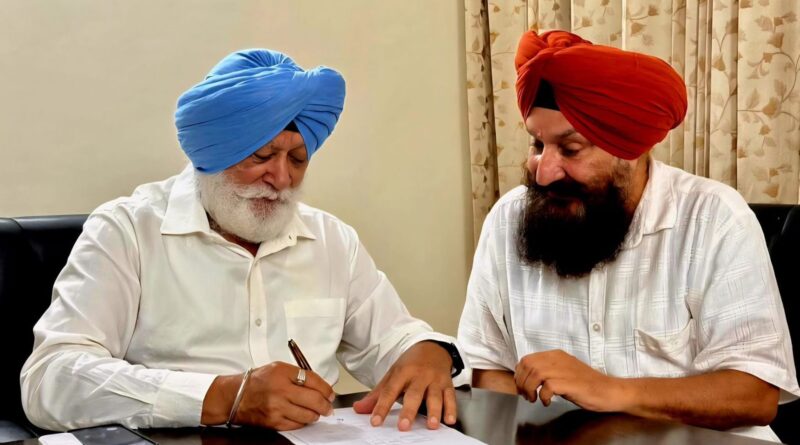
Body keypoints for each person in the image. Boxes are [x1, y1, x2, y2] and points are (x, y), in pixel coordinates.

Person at [21, 48, 467, 433]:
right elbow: (49, 379)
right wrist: (221, 396)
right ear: (212, 153)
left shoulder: (332, 240)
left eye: (298, 159)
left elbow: (393, 341)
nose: (281, 178)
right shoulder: (128, 231)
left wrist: (426, 351)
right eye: (261, 155)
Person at [457, 30, 799, 441]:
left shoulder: (714, 218)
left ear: (630, 150)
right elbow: (487, 369)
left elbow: (755, 394)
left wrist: (610, 391)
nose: (543, 172)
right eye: (537, 144)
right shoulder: (508, 219)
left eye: (570, 149)